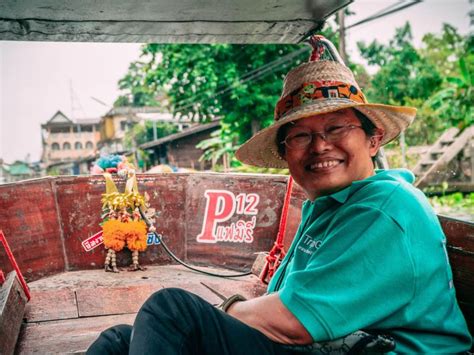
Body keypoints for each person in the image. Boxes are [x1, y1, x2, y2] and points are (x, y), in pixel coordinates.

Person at [87, 42, 472, 354]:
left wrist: (226, 309)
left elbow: (293, 322)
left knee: (171, 312)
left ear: (373, 140)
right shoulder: (330, 206)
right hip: (329, 345)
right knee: (119, 341)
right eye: (301, 136)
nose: (320, 146)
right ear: (287, 154)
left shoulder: (386, 208)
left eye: (336, 127)